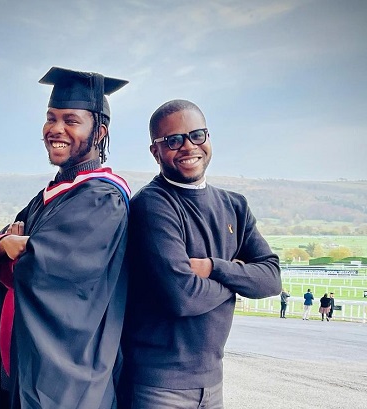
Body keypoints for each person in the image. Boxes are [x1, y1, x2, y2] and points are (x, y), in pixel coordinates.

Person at [0, 66, 130, 409]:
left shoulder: (103, 199)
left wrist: (17, 254)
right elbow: (1, 243)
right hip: (22, 368)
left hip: (65, 384)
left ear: (100, 132)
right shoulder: (51, 195)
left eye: (71, 120)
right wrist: (2, 246)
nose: (56, 129)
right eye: (51, 118)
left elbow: (46, 272)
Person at [120, 99, 281, 408]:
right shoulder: (153, 205)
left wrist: (214, 268)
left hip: (212, 382)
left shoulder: (235, 206)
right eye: (173, 140)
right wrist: (238, 279)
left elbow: (272, 279)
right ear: (156, 152)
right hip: (157, 386)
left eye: (197, 135)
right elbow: (183, 297)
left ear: (208, 138)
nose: (188, 146)